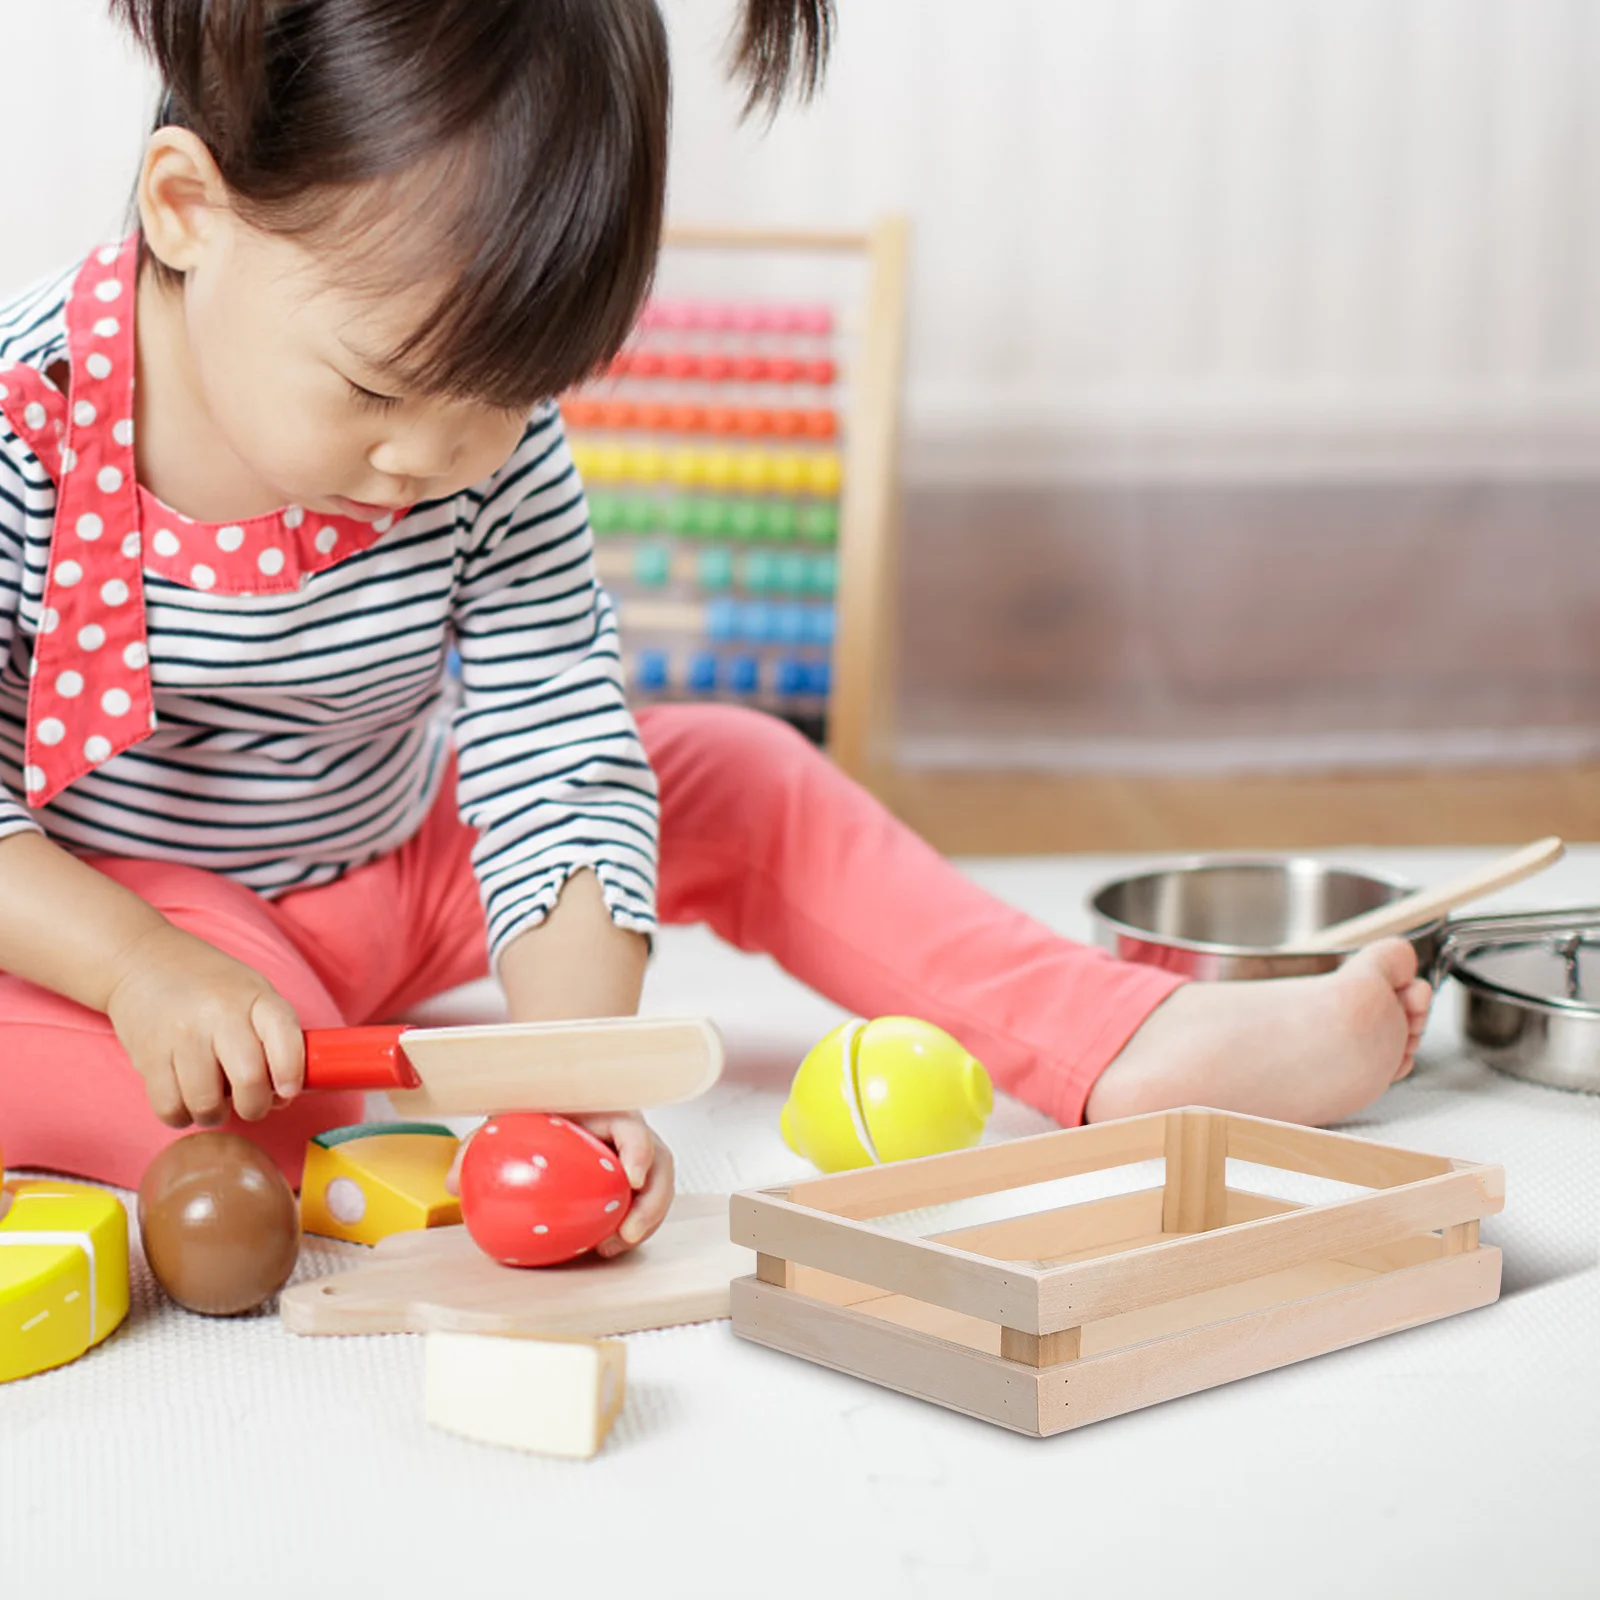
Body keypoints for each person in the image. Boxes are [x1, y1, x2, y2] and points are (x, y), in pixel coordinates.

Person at [0, 0, 1430, 1257]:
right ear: (187, 209)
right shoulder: (26, 424)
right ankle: (181, 1056)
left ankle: (1116, 1041)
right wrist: (137, 969)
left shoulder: (484, 452)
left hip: (384, 851)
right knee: (270, 1089)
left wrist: (571, 1076)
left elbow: (554, 750)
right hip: (112, 909)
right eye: (375, 392)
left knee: (734, 770)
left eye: (502, 395)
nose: (431, 461)